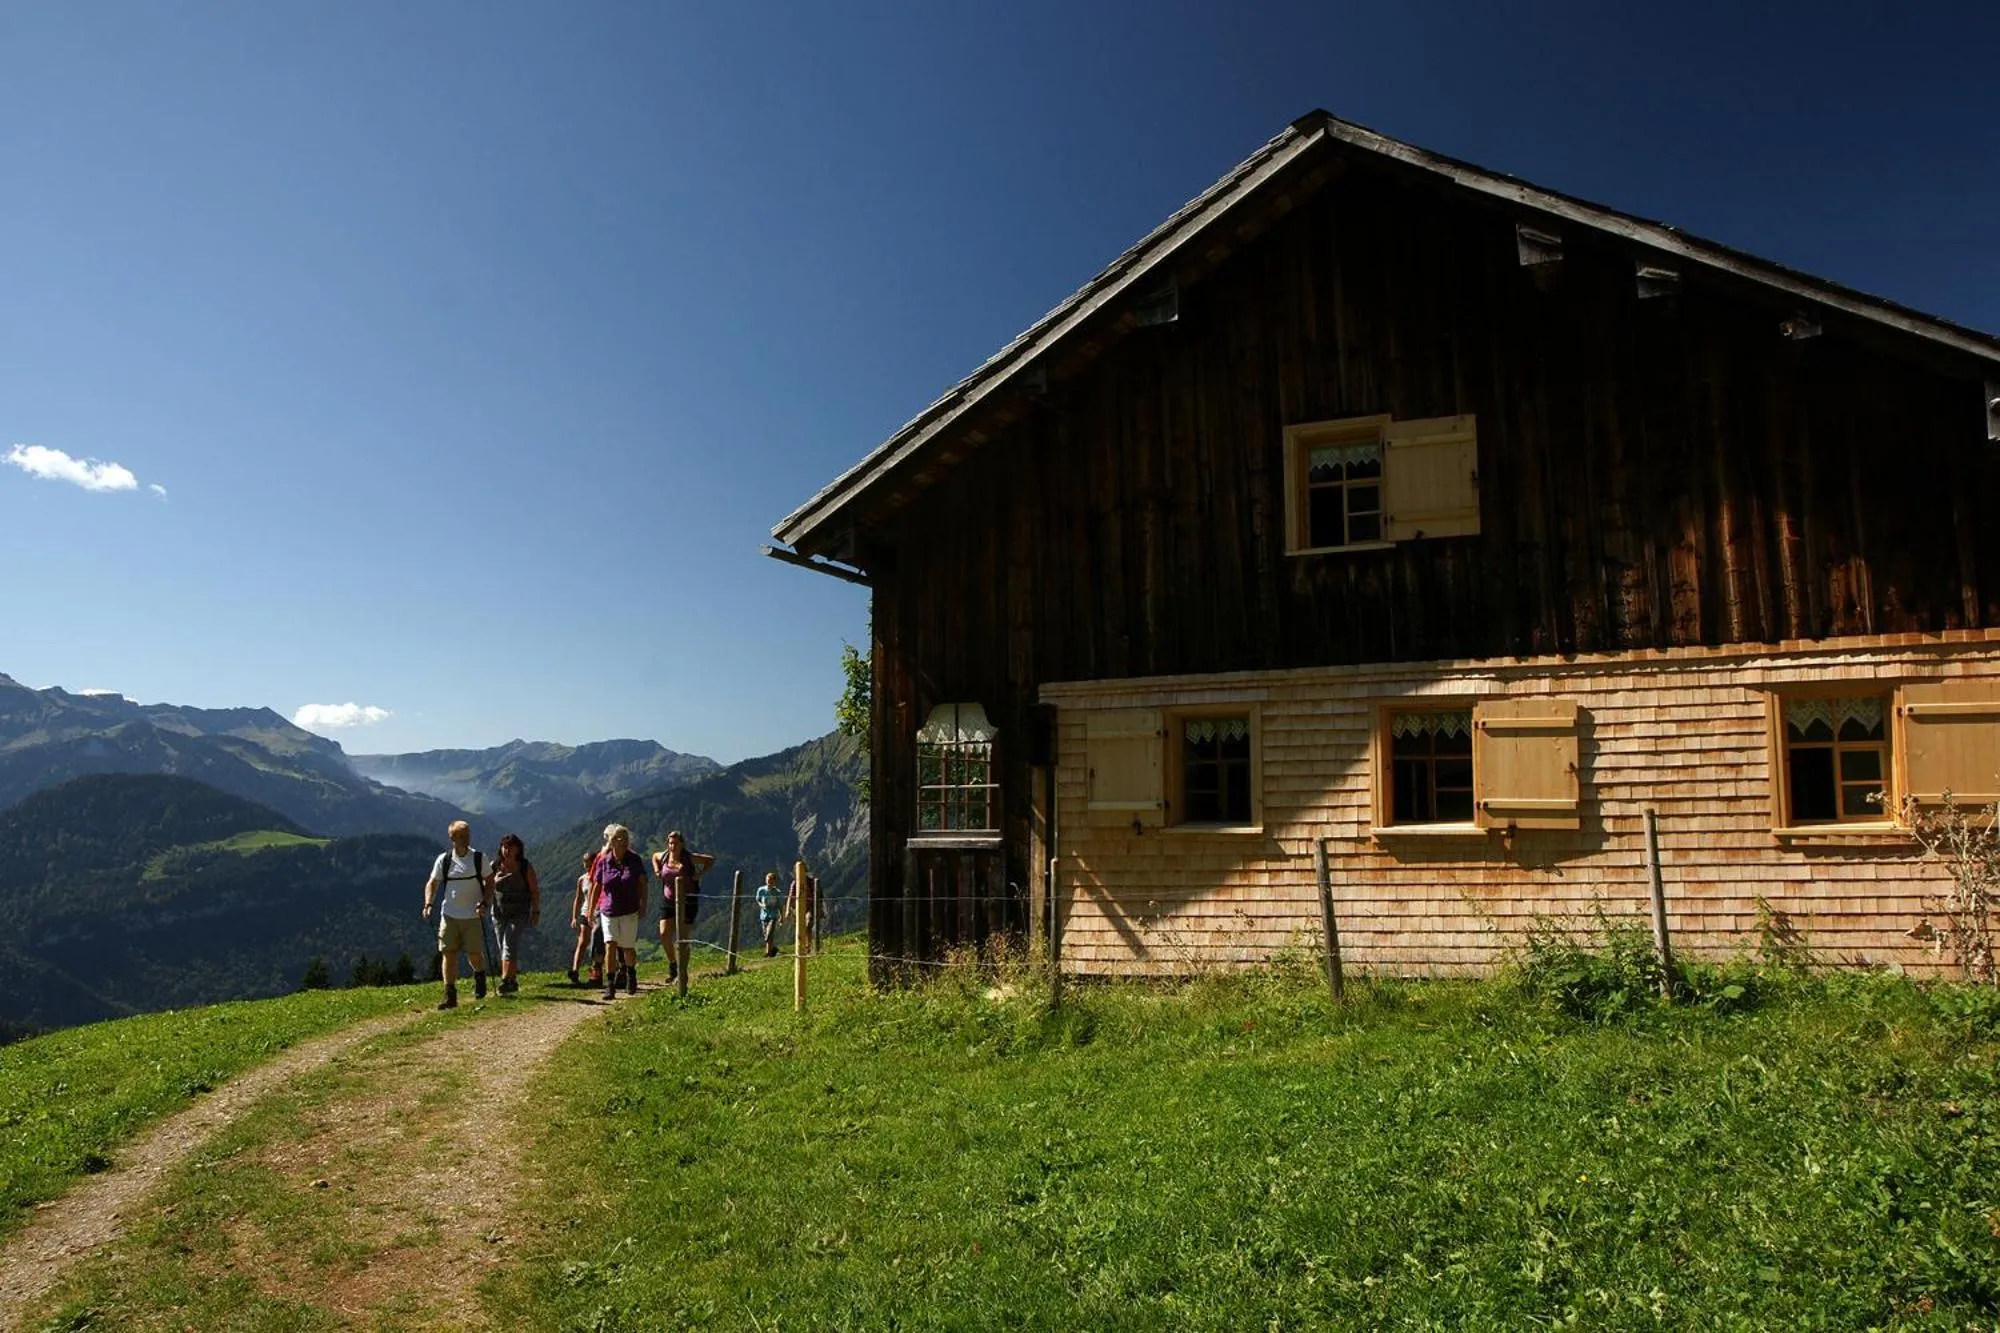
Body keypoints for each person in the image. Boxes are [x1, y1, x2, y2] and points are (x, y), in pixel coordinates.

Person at [422, 820, 491, 1010]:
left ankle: (479, 976)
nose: (466, 839)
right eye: (462, 836)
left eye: (467, 834)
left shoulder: (479, 858)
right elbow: (432, 883)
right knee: (448, 953)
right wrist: (428, 904)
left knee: (474, 954)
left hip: (472, 915)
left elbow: (490, 880)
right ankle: (450, 995)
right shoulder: (444, 860)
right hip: (449, 915)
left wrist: (485, 901)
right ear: (452, 838)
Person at [591, 824, 648, 999]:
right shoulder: (604, 861)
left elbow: (643, 883)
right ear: (612, 841)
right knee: (610, 944)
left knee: (628, 947)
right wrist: (591, 909)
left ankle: (631, 974)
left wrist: (643, 904)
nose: (622, 841)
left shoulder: (635, 860)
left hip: (629, 910)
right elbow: (597, 886)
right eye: (618, 838)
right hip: (608, 910)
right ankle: (610, 984)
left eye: (625, 837)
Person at [652, 830, 714, 982]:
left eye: (676, 843)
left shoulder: (689, 857)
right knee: (664, 933)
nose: (672, 846)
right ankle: (673, 964)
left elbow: (709, 860)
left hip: (688, 900)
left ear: (682, 844)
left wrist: (699, 875)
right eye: (670, 843)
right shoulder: (664, 856)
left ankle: (682, 972)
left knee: (683, 938)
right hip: (668, 900)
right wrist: (657, 870)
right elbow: (654, 856)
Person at [489, 833, 541, 996]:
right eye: (504, 847)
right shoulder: (495, 866)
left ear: (518, 849)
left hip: (519, 913)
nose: (507, 850)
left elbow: (534, 890)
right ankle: (512, 979)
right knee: (503, 945)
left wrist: (535, 911)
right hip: (499, 913)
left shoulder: (525, 867)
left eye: (511, 848)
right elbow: (485, 888)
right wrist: (494, 883)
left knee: (509, 944)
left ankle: (505, 980)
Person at [568, 850, 602, 988]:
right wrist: (574, 917)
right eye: (585, 863)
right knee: (582, 941)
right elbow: (578, 898)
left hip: (599, 912)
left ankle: (597, 970)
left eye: (589, 863)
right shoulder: (582, 879)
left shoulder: (600, 877)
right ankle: (575, 970)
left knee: (598, 943)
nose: (586, 866)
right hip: (585, 912)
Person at [755, 870, 784, 958]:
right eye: (768, 880)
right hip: (764, 916)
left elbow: (780, 905)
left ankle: (769, 951)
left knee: (769, 934)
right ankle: (772, 950)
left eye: (771, 880)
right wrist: (762, 905)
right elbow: (758, 900)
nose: (769, 882)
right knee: (766, 935)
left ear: (774, 882)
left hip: (773, 915)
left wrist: (781, 916)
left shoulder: (777, 892)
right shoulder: (761, 890)